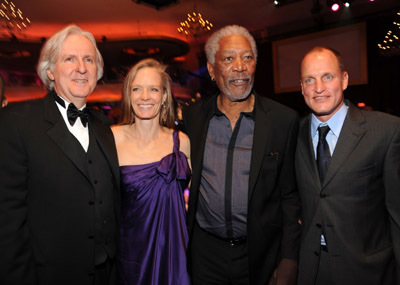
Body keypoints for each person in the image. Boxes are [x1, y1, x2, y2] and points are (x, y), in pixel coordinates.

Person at [0, 25, 120, 285]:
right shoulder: (16, 122)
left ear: (98, 71)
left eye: (89, 59)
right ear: (50, 70)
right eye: (70, 58)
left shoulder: (104, 126)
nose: (81, 67)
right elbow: (7, 221)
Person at [182, 25, 300, 285]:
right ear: (212, 70)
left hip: (261, 255)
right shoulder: (194, 117)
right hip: (205, 255)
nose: (240, 67)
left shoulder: (283, 120)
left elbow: (290, 197)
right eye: (228, 59)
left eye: (247, 57)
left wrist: (289, 261)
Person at [296, 46, 400, 284]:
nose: (318, 88)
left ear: (344, 80)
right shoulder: (292, 134)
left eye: (327, 77)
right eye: (309, 80)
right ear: (302, 87)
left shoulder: (386, 131)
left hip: (369, 271)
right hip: (311, 271)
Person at [111, 58, 191, 285]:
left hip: (173, 254)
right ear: (128, 95)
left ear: (164, 96)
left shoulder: (182, 142)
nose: (144, 96)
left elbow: (193, 198)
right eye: (136, 89)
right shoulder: (112, 139)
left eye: (153, 89)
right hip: (129, 253)